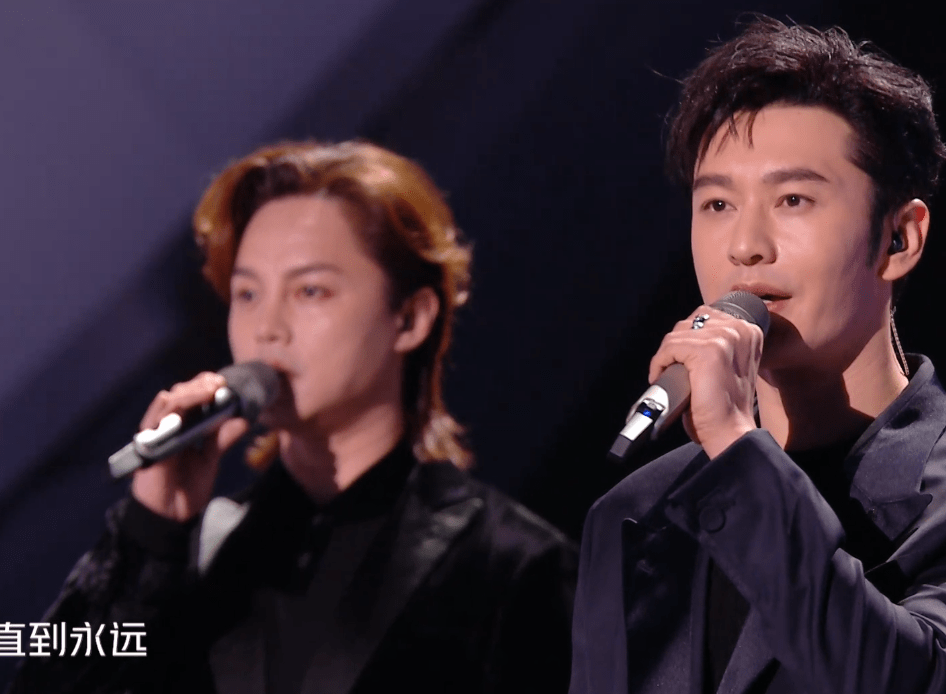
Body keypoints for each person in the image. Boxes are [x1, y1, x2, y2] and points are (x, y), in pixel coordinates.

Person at [10, 140, 577, 694]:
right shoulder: (198, 552)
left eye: (310, 291)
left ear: (409, 318)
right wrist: (148, 533)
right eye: (247, 294)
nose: (267, 329)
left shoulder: (513, 565)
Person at [569, 18, 946, 694]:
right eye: (717, 203)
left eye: (793, 199)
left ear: (899, 238)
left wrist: (735, 444)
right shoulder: (633, 514)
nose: (744, 246)